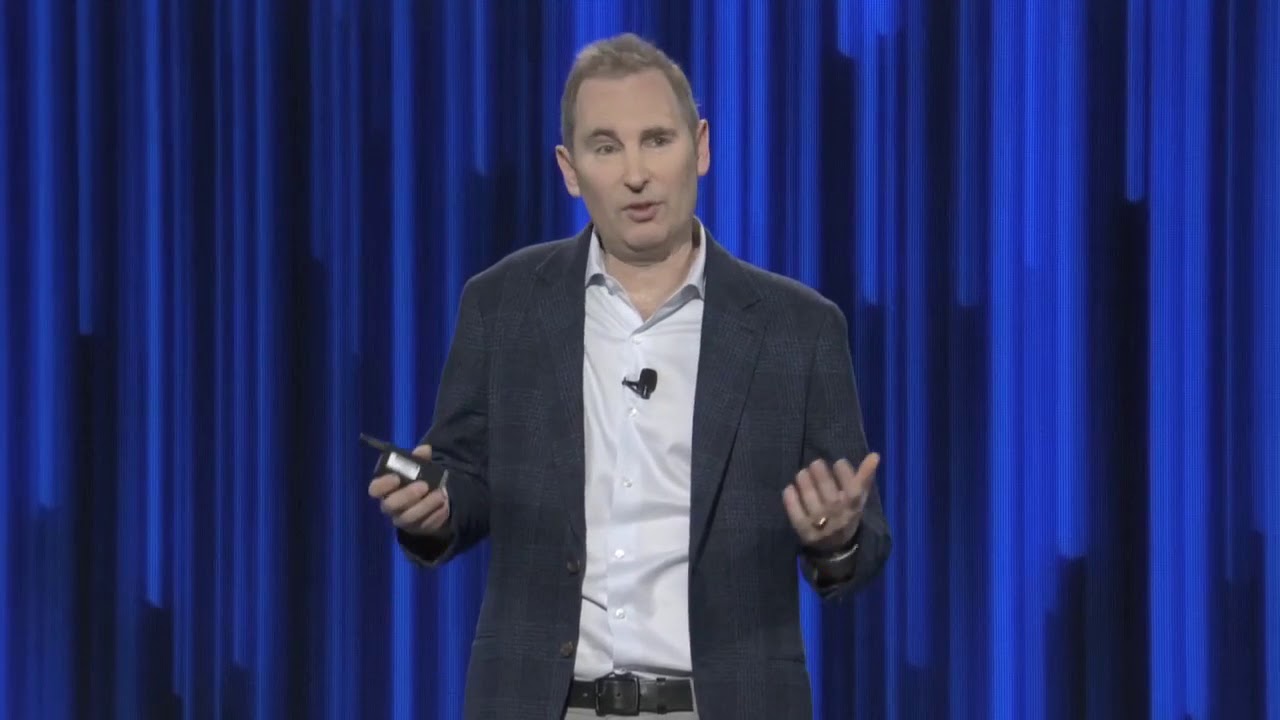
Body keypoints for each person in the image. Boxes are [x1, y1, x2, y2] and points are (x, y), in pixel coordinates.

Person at [368, 33, 891, 720]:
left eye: (657, 140)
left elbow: (860, 543)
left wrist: (837, 538)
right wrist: (432, 513)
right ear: (570, 168)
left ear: (700, 147)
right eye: (606, 147)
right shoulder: (502, 304)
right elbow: (465, 483)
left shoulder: (798, 328)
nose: (636, 174)